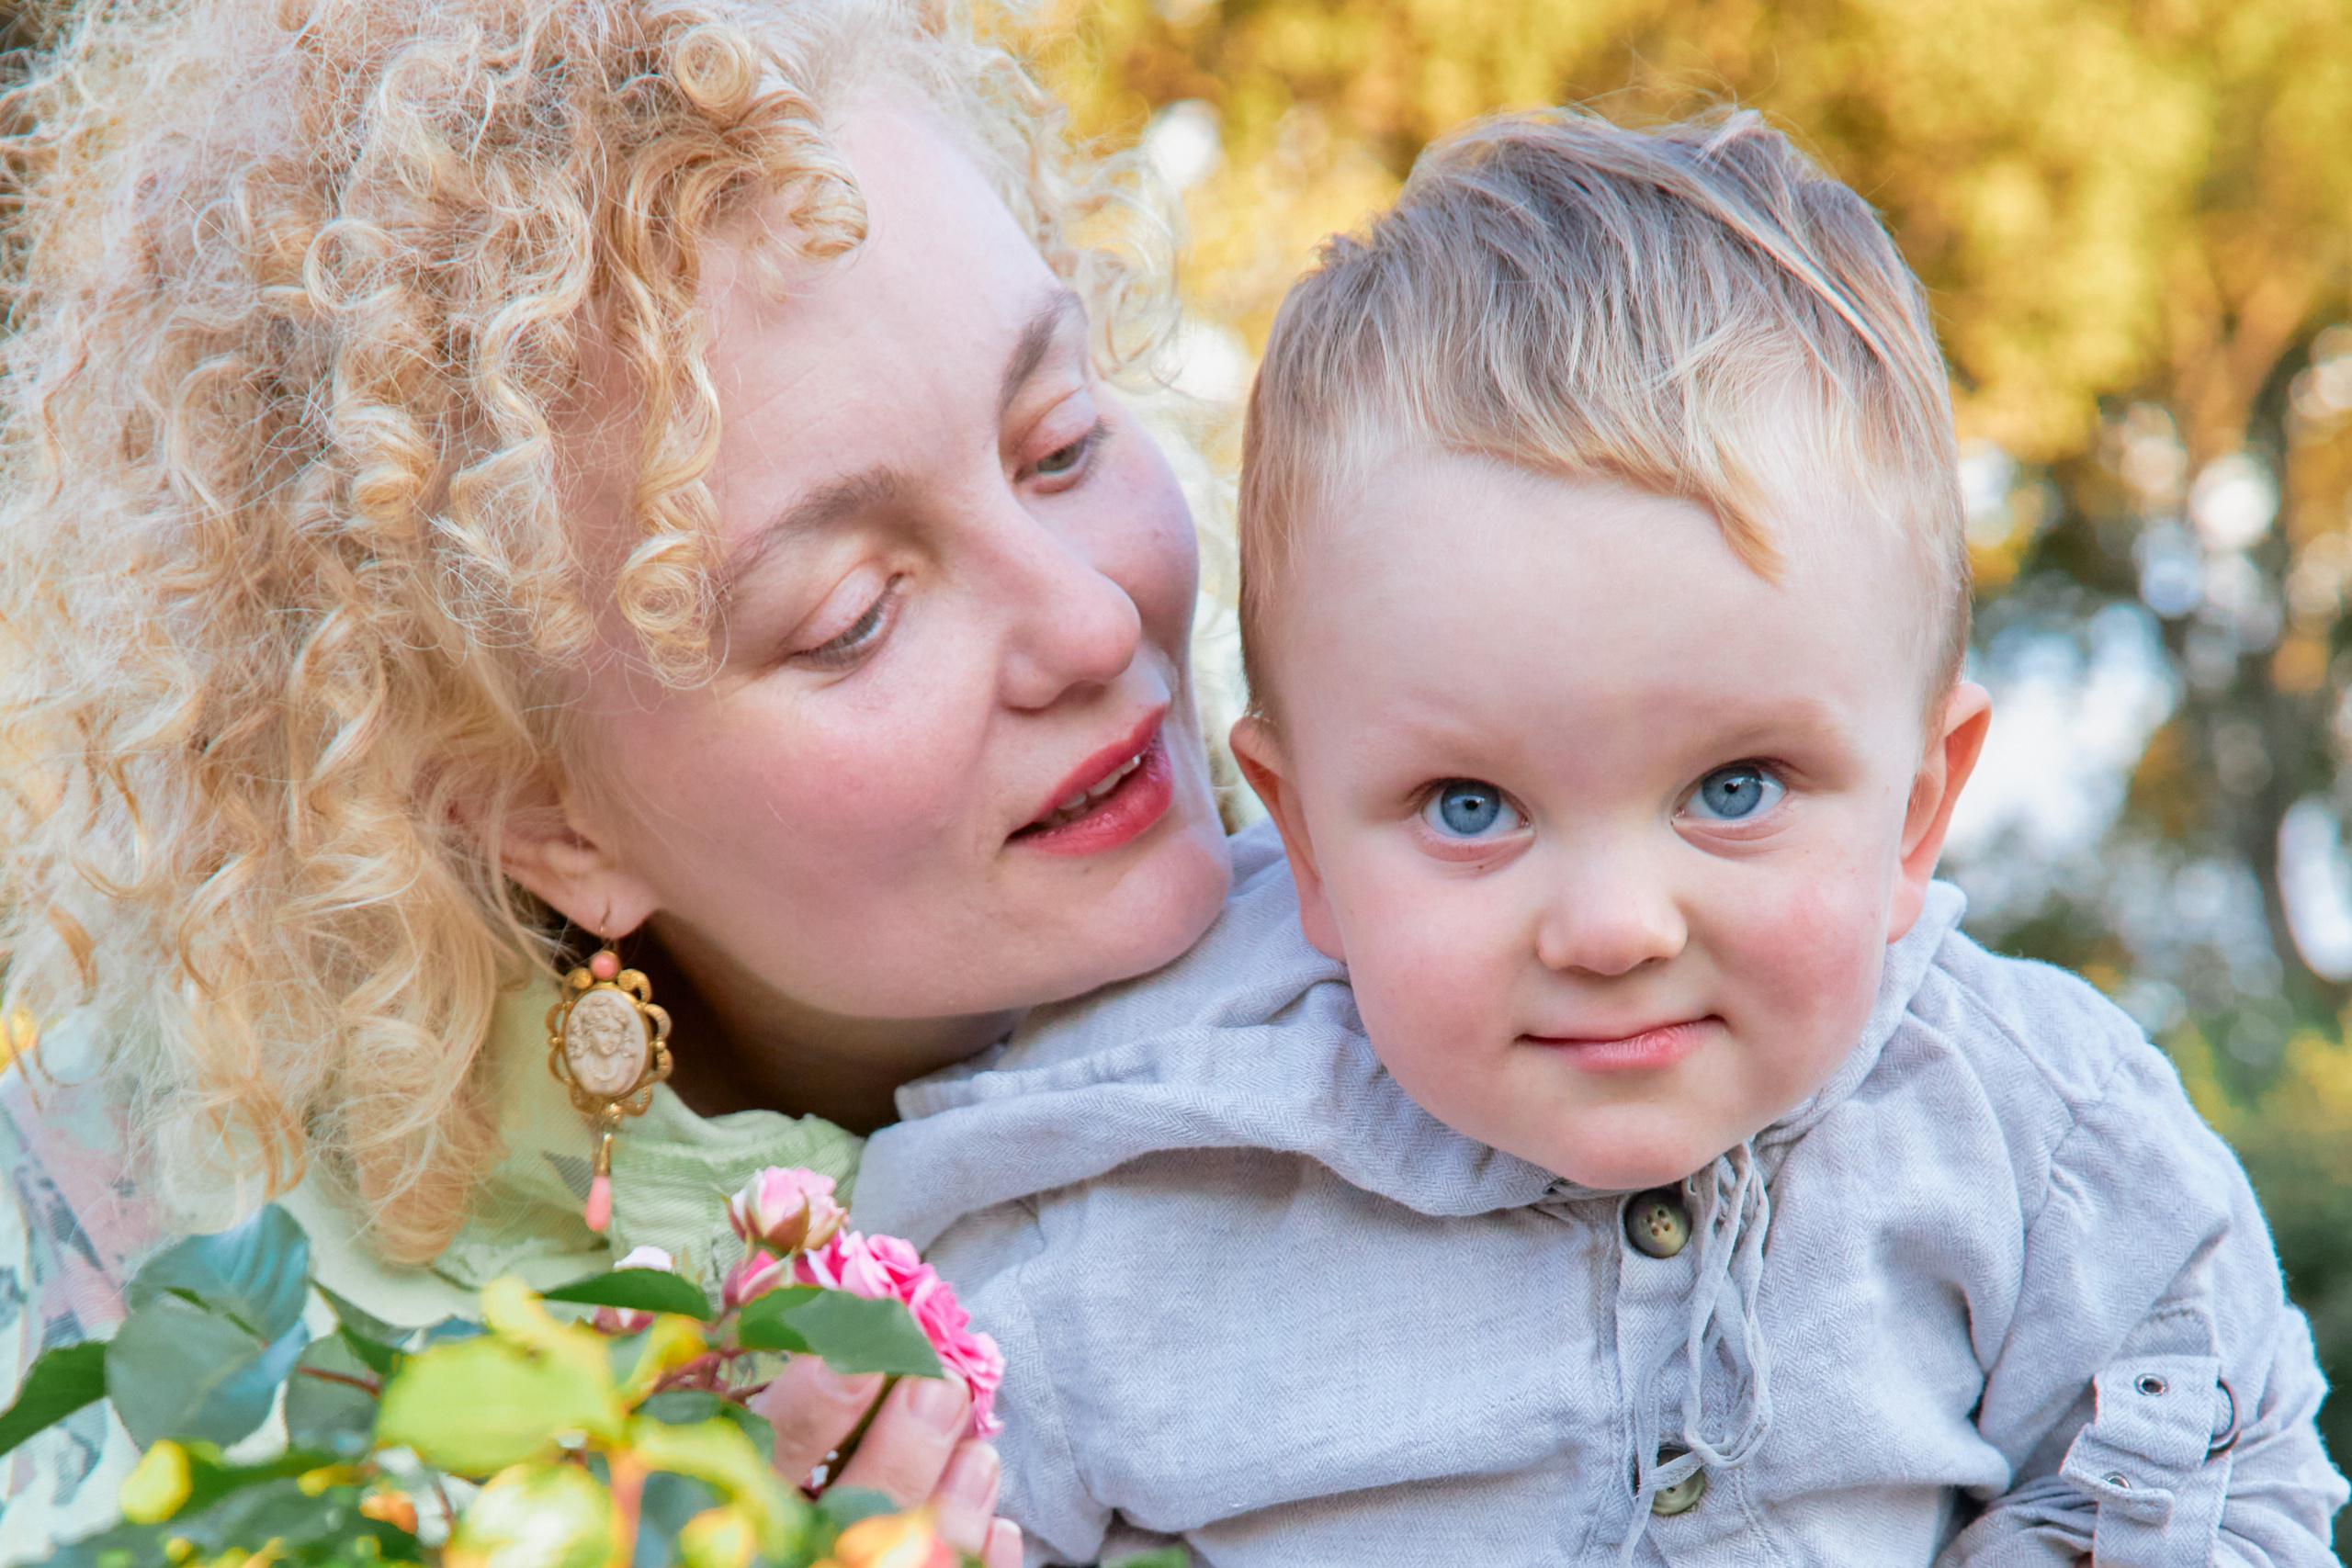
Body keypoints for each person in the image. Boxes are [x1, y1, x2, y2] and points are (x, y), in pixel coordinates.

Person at [855, 109, 2352, 1563]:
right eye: (1471, 811)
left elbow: (2246, 1471)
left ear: (1916, 808)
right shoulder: (1138, 1199)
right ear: (1306, 844)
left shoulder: (2037, 1140)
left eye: (1736, 788)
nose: (1615, 925)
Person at [0, 1, 1238, 1561]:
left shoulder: (1499, 863)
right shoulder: (154, 1297)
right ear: (550, 822)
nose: (1094, 618)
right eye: (855, 617)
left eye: (1059, 444)